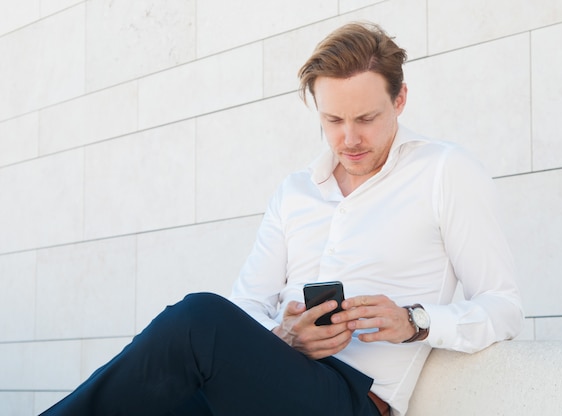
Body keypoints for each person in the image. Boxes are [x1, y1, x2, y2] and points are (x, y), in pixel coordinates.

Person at [41, 22, 523, 416]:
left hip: (351, 399)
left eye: (367, 118)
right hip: (269, 381)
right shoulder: (295, 192)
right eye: (333, 120)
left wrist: (413, 322)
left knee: (198, 319)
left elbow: (503, 306)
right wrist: (284, 336)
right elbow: (249, 301)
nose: (349, 138)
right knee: (160, 396)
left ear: (399, 100)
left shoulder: (444, 171)